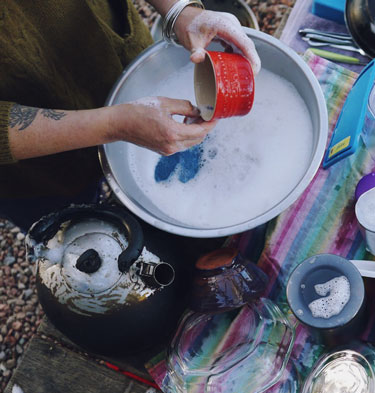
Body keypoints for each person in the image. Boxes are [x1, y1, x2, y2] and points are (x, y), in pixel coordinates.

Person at [0, 0, 261, 230]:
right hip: (35, 163)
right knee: (75, 218)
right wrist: (115, 125)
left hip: (105, 45)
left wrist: (179, 9)